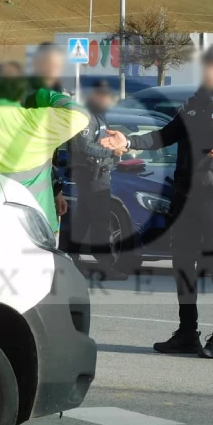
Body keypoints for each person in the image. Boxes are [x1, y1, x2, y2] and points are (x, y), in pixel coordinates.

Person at [103, 46, 213, 359]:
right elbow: (164, 136)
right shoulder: (194, 104)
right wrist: (129, 142)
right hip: (184, 195)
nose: (209, 72)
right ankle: (187, 333)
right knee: (182, 263)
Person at [0, 62, 89, 234]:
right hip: (35, 228)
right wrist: (46, 93)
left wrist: (56, 193)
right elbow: (80, 115)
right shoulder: (37, 122)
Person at [69, 80, 126, 280]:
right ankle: (105, 264)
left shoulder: (99, 117)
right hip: (92, 174)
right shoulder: (86, 118)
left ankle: (72, 258)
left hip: (98, 173)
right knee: (101, 221)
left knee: (83, 220)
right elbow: (84, 147)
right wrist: (111, 151)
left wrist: (115, 147)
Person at [24, 42, 71, 221]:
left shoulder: (52, 89)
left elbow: (53, 151)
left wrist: (57, 192)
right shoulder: (36, 92)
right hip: (26, 179)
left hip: (42, 182)